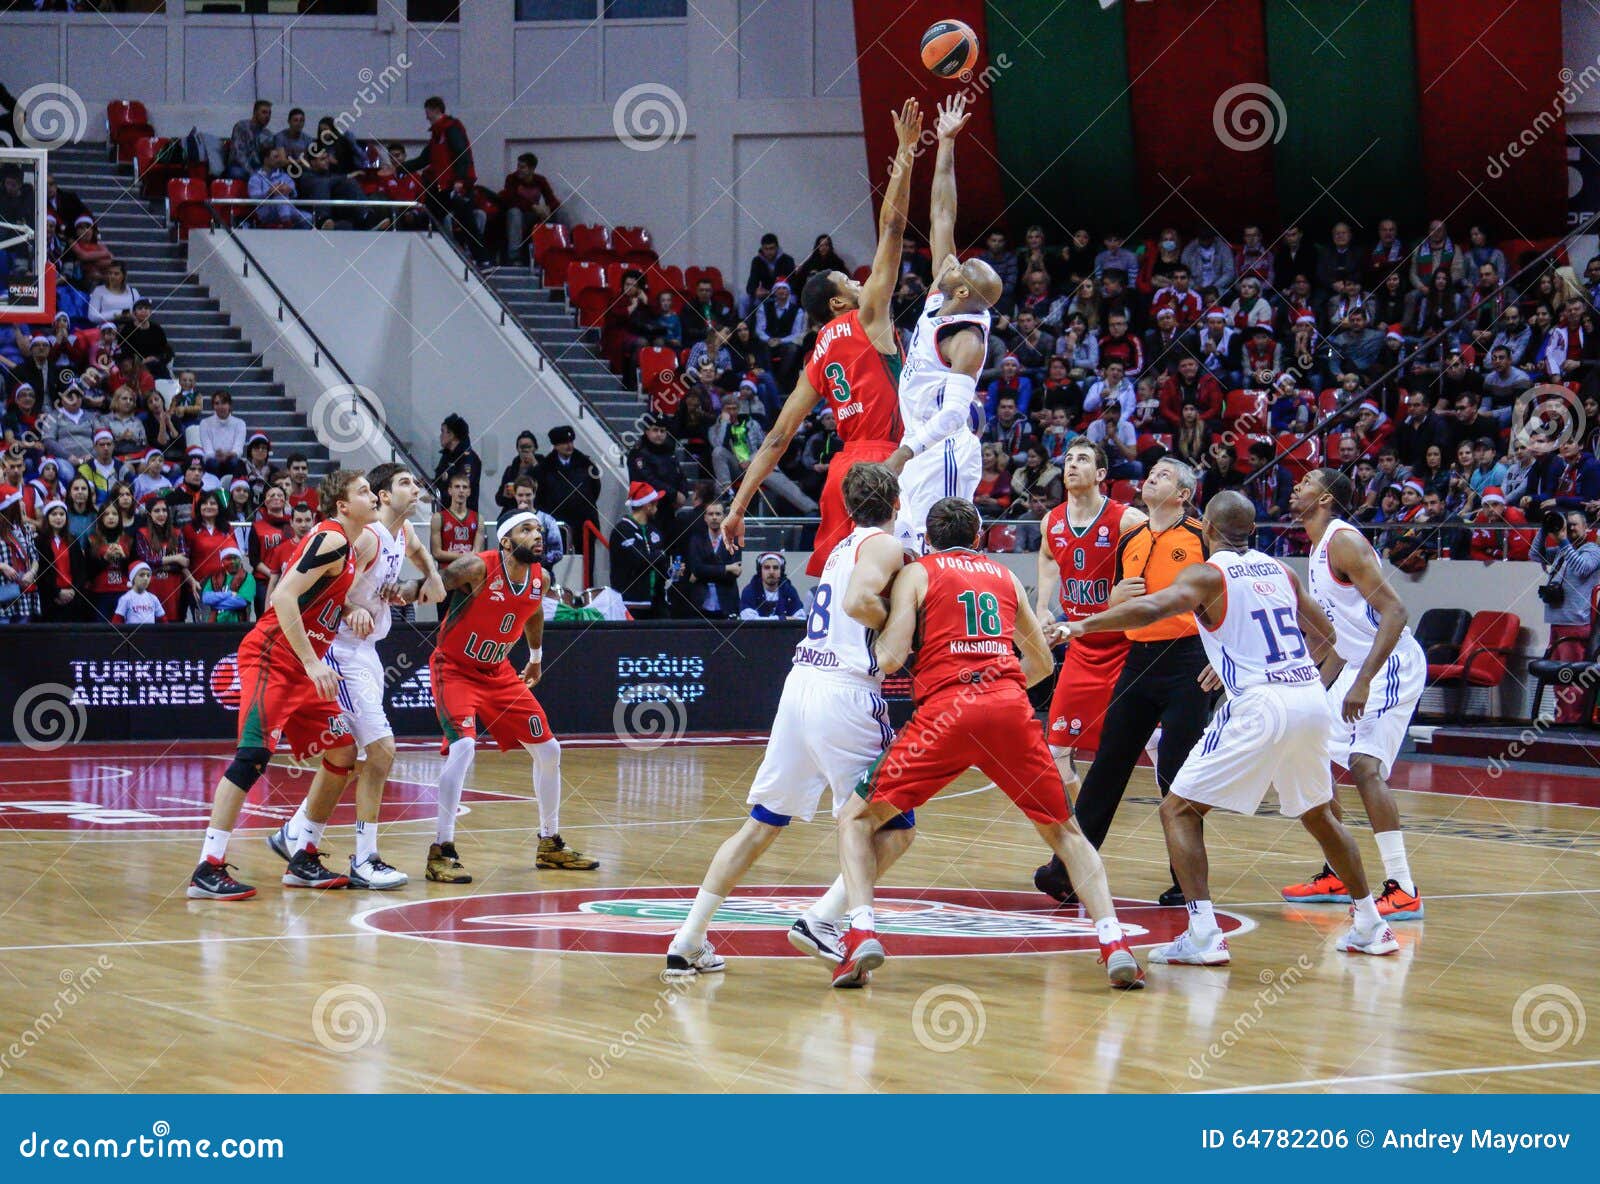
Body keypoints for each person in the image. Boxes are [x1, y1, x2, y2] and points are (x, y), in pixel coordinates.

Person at [1062, 490, 1399, 964]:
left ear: (1205, 530)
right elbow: (1327, 636)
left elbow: (1152, 608)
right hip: (1308, 698)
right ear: (1253, 532)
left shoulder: (1207, 573)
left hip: (1262, 704)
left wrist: (1084, 625)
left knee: (1178, 810)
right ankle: (1371, 924)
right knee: (1320, 815)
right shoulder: (1281, 570)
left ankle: (1203, 934)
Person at [833, 496, 1144, 989]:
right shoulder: (1003, 576)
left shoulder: (920, 573)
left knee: (855, 816)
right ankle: (1113, 942)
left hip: (946, 713)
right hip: (1006, 706)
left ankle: (861, 934)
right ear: (979, 537)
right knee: (1066, 833)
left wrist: (897, 630)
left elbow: (891, 659)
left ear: (929, 539)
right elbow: (1041, 665)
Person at [665, 465, 915, 976]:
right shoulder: (884, 547)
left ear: (846, 507)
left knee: (760, 825)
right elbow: (861, 601)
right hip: (845, 693)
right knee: (895, 825)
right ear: (894, 506)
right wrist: (902, 620)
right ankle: (822, 920)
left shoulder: (838, 548)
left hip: (800, 686)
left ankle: (688, 938)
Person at [723, 100, 924, 576]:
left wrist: (738, 507)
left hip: (841, 476)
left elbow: (776, 438)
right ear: (838, 302)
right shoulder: (868, 318)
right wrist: (907, 152)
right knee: (904, 591)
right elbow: (893, 229)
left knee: (840, 592)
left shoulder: (817, 354)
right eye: (847, 282)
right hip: (888, 462)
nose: (858, 282)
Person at [186, 471, 380, 901]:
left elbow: (318, 591)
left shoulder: (345, 549)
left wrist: (347, 608)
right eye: (364, 491)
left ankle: (304, 853)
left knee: (344, 751)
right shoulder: (330, 539)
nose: (372, 496)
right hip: (273, 658)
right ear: (343, 507)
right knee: (253, 755)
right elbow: (283, 598)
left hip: (300, 665)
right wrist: (313, 663)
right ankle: (208, 866)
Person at [1034, 457, 1213, 906]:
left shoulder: (1199, 537)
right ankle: (1068, 871)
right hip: (1138, 661)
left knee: (1176, 775)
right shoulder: (1131, 536)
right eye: (1152, 472)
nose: (1152, 477)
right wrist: (1107, 602)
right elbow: (1119, 599)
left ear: (1184, 494)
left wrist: (1223, 659)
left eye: (1165, 475)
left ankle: (1184, 883)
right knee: (1107, 766)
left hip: (1187, 662)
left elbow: (1225, 598)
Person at [267, 465, 444, 889]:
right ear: (382, 497)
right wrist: (352, 607)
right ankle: (364, 859)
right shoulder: (368, 537)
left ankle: (296, 833)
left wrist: (430, 576)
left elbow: (418, 552)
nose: (415, 488)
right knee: (381, 751)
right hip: (341, 649)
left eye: (415, 483)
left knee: (354, 757)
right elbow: (331, 587)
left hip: (366, 653)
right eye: (404, 483)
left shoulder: (403, 533)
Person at [1272, 468, 1428, 920]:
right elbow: (1340, 637)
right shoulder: (1318, 549)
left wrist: (1361, 682)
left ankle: (1403, 887)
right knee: (1309, 751)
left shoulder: (1344, 541)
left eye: (1306, 482)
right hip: (1357, 664)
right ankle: (1338, 871)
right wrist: (1314, 688)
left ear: (1325, 499)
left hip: (1392, 662)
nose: (1296, 486)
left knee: (1364, 766)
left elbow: (1395, 612)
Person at [428, 511, 597, 883]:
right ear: (505, 541)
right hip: (455, 668)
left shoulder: (541, 577)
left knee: (550, 750)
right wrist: (404, 590)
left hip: (499, 672)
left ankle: (550, 843)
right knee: (463, 748)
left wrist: (535, 657)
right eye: (527, 529)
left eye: (539, 528)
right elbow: (436, 584)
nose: (537, 534)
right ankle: (442, 849)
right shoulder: (477, 566)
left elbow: (533, 610)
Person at [882, 95, 1003, 554]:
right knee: (912, 558)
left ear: (961, 293)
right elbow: (942, 212)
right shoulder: (945, 290)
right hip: (918, 449)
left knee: (941, 559)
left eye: (959, 268)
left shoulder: (967, 340)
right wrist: (947, 142)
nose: (952, 261)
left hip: (943, 452)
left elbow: (954, 415)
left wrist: (904, 452)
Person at [1034, 439, 1146, 797]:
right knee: (1055, 751)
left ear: (1100, 474)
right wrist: (1042, 606)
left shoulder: (1128, 519)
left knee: (1153, 741)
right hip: (1080, 648)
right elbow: (1049, 557)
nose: (1071, 465)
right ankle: (1081, 829)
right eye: (1068, 459)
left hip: (1125, 646)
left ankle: (1181, 811)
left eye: (1082, 459)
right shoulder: (1050, 521)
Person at [1532, 509, 1600, 724]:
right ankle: (1563, 718)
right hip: (1558, 622)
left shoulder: (1593, 550)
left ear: (1586, 528)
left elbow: (1582, 568)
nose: (1569, 529)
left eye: (1574, 525)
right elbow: (1534, 554)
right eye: (1566, 524)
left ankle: (1573, 720)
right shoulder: (1563, 550)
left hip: (1576, 623)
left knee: (1571, 679)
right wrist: (1544, 530)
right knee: (1559, 680)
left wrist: (1562, 541)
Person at [406, 97, 489, 264]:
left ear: (435, 109)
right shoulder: (438, 134)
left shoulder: (451, 129)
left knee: (462, 220)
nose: (426, 116)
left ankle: (481, 258)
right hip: (442, 186)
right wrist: (400, 168)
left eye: (427, 111)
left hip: (452, 185)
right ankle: (446, 253)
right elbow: (424, 159)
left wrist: (460, 180)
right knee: (434, 216)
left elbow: (462, 154)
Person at [610, 481, 671, 619]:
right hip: (632, 601)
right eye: (655, 504)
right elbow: (639, 560)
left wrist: (671, 571)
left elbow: (660, 563)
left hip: (657, 600)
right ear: (648, 505)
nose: (657, 508)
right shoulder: (623, 530)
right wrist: (660, 555)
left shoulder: (653, 531)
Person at [682, 499, 740, 618]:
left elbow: (733, 574)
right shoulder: (696, 540)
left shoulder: (734, 541)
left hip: (726, 603)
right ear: (705, 517)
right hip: (700, 604)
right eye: (710, 514)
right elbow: (696, 568)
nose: (714, 517)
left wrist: (703, 572)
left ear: (724, 517)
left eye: (718, 514)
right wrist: (726, 568)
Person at [434, 413, 482, 509]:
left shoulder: (469, 459)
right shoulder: (447, 456)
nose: (440, 436)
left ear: (452, 435)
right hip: (446, 512)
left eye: (443, 431)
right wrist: (427, 485)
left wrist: (436, 497)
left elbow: (461, 490)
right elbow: (440, 482)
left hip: (463, 516)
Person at [738, 551, 805, 619]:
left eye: (775, 568)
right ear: (760, 571)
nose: (771, 572)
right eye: (767, 568)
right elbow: (748, 620)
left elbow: (801, 617)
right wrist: (782, 619)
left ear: (781, 571)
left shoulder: (789, 590)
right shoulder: (750, 591)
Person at [227, 98, 276, 180]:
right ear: (255, 113)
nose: (267, 116)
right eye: (264, 112)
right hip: (239, 166)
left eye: (269, 113)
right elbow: (238, 154)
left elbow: (268, 159)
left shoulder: (268, 134)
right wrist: (252, 173)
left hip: (258, 167)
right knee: (238, 173)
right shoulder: (241, 126)